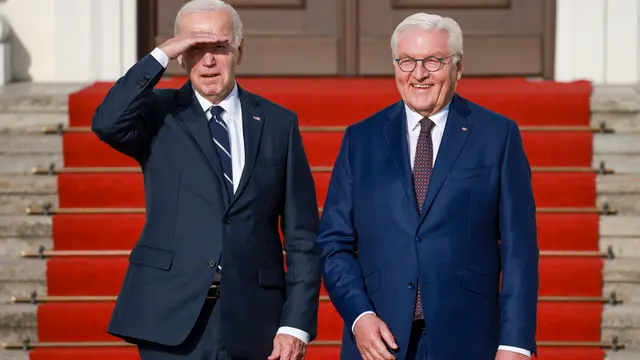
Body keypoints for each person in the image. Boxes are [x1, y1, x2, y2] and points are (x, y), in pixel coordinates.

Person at [91, 1, 321, 359]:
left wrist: (295, 325)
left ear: (238, 51)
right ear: (181, 56)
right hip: (169, 317)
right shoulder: (159, 114)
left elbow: (303, 235)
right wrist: (161, 54)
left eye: (219, 47)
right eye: (195, 48)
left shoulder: (278, 124)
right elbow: (107, 122)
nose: (208, 60)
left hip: (255, 320)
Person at [315, 12, 539, 360]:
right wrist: (360, 317)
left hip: (469, 340)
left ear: (458, 68)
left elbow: (519, 249)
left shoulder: (497, 136)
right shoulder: (361, 139)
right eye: (406, 61)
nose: (418, 74)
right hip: (381, 341)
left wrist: (515, 343)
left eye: (433, 61)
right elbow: (334, 242)